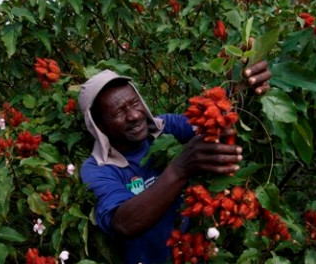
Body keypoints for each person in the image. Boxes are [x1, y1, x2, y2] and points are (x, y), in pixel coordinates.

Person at [78, 60, 271, 264]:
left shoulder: (167, 127)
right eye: (119, 113)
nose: (134, 116)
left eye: (135, 104)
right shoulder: (97, 169)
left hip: (195, 254)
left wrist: (239, 90)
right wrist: (180, 169)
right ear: (100, 126)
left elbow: (216, 126)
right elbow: (124, 223)